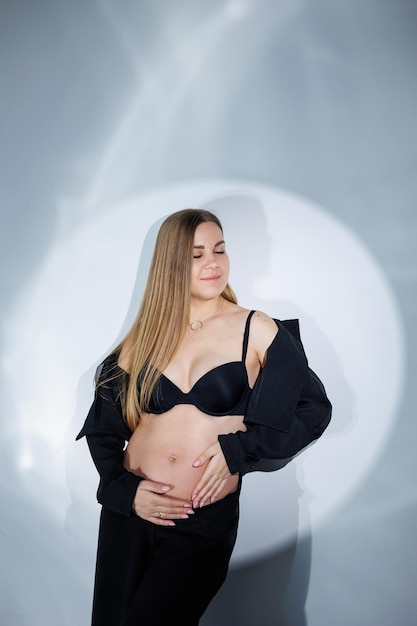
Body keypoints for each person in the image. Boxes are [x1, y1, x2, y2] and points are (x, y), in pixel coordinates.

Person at [76, 208, 332, 626]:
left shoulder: (257, 328)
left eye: (219, 249)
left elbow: (313, 409)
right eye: (196, 254)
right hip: (130, 515)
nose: (213, 262)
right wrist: (125, 492)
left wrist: (239, 452)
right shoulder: (144, 338)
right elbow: (103, 432)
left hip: (201, 517)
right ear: (171, 264)